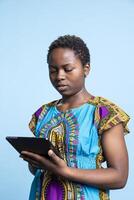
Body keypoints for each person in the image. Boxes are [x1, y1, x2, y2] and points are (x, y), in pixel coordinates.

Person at [20, 35, 130, 200]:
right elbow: (36, 171)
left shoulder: (104, 113)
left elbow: (119, 177)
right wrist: (34, 162)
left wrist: (64, 171)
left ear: (86, 69)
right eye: (53, 70)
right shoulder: (43, 113)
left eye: (68, 69)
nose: (59, 76)